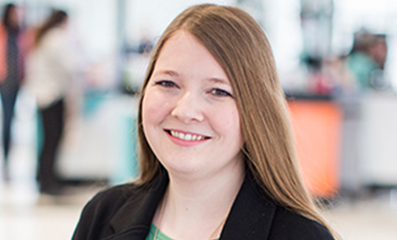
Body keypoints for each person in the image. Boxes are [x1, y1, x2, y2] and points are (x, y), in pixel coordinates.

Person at [73, 4, 337, 240]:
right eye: (168, 83)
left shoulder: (301, 235)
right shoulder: (102, 214)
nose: (185, 111)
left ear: (256, 111)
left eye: (218, 91)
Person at [25, 9, 75, 195]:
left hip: (42, 95)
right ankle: (48, 181)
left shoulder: (44, 37)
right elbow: (69, 65)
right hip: (52, 95)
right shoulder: (56, 38)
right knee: (53, 140)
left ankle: (44, 177)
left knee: (47, 139)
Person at [0, 3, 25, 180]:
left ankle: (7, 159)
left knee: (10, 120)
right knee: (7, 120)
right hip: (3, 80)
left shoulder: (20, 33)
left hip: (15, 82)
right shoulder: (2, 31)